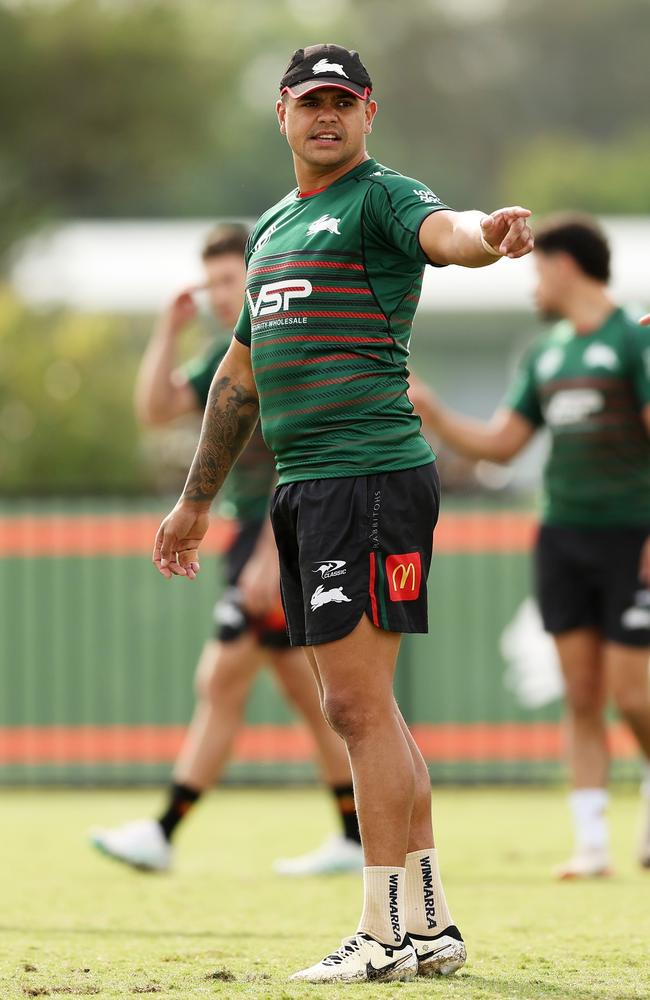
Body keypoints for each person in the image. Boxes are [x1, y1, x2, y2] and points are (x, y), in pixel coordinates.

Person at [152, 44, 533, 983]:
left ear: (370, 112)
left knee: (355, 708)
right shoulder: (274, 227)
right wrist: (196, 502)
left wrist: (491, 234)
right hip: (308, 488)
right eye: (310, 101)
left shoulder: (381, 197)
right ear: (281, 113)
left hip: (366, 476)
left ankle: (382, 931)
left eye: (343, 101)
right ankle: (430, 921)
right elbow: (238, 380)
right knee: (371, 710)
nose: (327, 115)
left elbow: (448, 233)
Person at [90, 223, 364, 877]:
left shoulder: (284, 341)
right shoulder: (226, 347)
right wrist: (166, 329)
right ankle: (356, 837)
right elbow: (156, 410)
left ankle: (162, 831)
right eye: (209, 281)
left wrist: (276, 543)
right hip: (254, 533)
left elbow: (307, 442)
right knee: (309, 695)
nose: (219, 293)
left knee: (222, 680)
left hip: (281, 528)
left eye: (228, 279)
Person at [410, 213, 650, 879]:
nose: (530, 284)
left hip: (632, 536)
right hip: (561, 537)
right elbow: (501, 444)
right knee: (581, 694)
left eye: (536, 267)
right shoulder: (544, 355)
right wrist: (430, 409)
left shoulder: (634, 337)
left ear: (565, 264)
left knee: (634, 695)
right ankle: (593, 843)